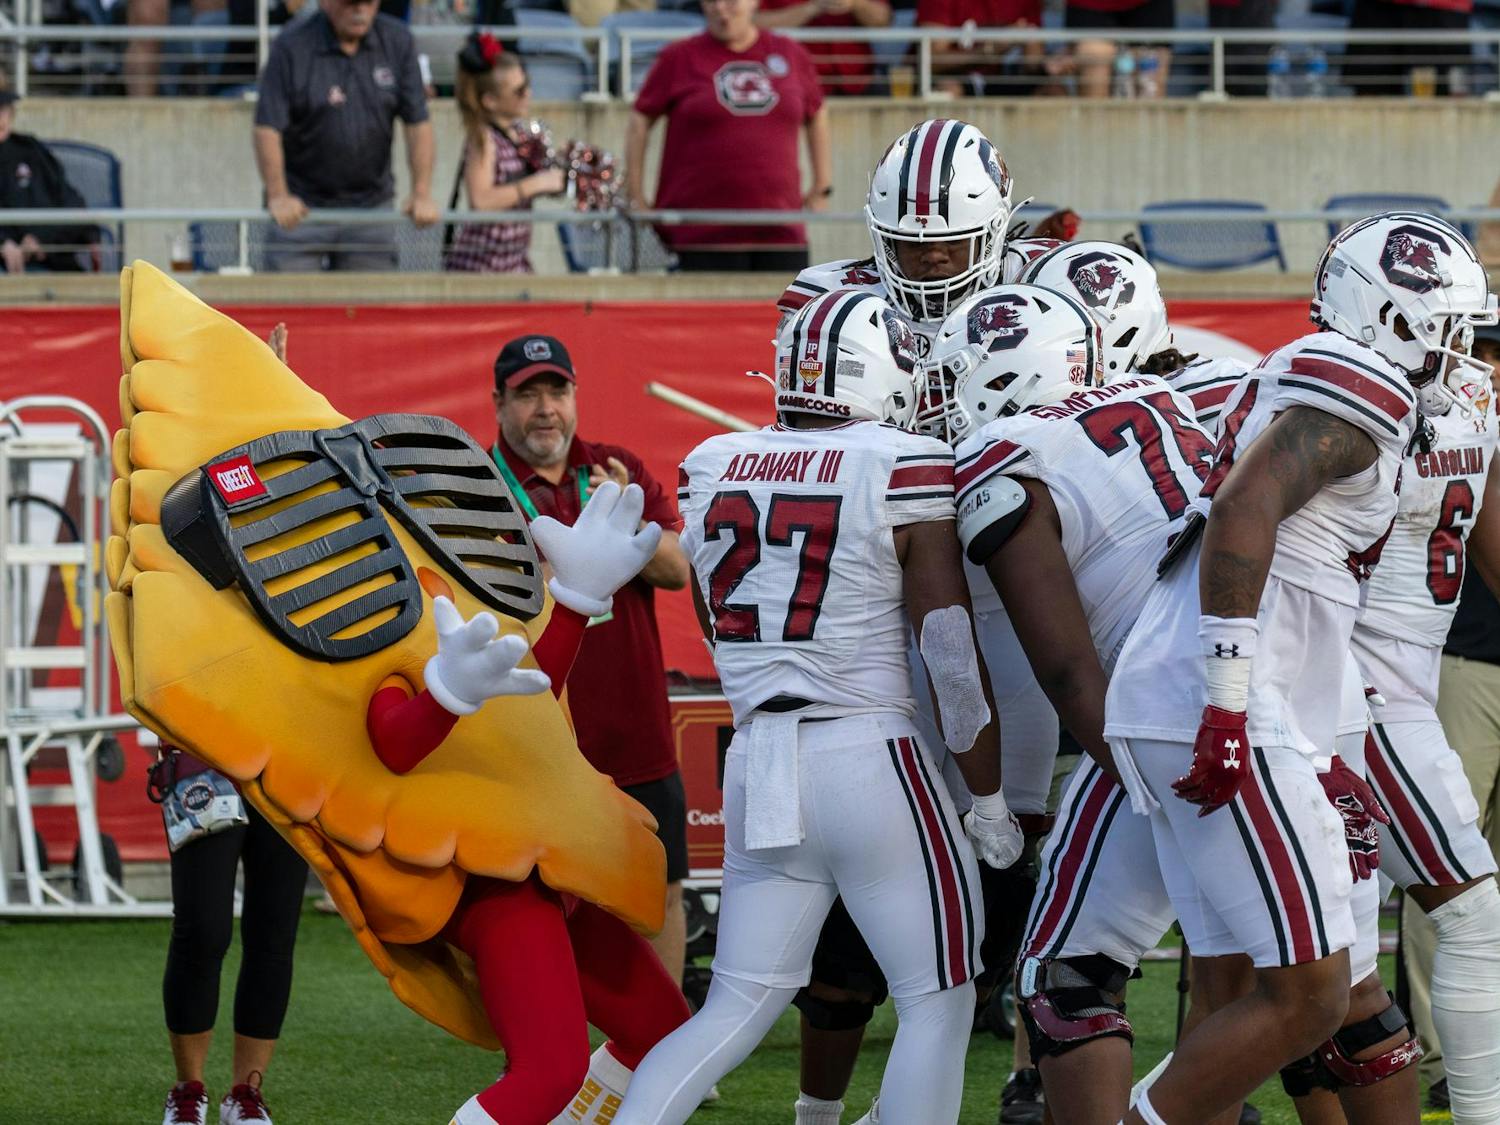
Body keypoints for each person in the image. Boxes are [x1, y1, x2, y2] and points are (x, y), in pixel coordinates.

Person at [1103, 212, 1491, 1125]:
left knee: (1304, 980)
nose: (1464, 351)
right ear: (1400, 321)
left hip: (1247, 701)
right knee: (1311, 995)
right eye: (1453, 328)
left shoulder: (1329, 376)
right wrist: (1232, 699)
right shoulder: (1361, 390)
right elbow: (1247, 507)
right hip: (1236, 700)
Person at [615, 288, 1024, 1125]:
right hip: (868, 751)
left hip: (759, 755)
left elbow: (712, 613)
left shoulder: (714, 461)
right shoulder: (900, 461)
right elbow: (948, 652)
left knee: (733, 1005)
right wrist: (986, 799)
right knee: (938, 996)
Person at [489, 333, 696, 988]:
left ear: (576, 396)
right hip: (536, 737)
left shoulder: (615, 470)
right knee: (537, 902)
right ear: (499, 404)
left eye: (556, 390)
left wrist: (631, 534)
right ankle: (550, 1049)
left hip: (634, 727)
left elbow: (676, 571)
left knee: (660, 890)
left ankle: (661, 1051)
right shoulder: (480, 487)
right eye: (528, 394)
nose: (545, 408)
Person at [155, 749, 308, 1125]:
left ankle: (246, 1093)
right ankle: (187, 1090)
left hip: (289, 763)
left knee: (274, 933)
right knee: (202, 931)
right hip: (204, 756)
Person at [624, 0, 831, 272]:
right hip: (699, 236)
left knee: (785, 314)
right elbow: (640, 119)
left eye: (731, 1)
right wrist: (636, 196)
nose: (721, 9)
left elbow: (817, 112)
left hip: (780, 234)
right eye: (712, 1)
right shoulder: (680, 56)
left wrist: (822, 185)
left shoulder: (790, 54)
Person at [252, 0, 437, 272]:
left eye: (368, 2)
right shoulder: (291, 45)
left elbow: (418, 122)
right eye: (349, 3)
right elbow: (267, 126)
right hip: (302, 211)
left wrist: (421, 192)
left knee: (372, 311)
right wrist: (278, 195)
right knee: (290, 310)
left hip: (372, 210)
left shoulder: (398, 41)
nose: (360, 10)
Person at [444, 31, 566, 274]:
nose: (528, 94)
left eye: (527, 85)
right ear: (490, 100)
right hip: (482, 268)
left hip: (514, 263)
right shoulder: (484, 138)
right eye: (519, 91)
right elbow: (481, 201)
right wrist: (536, 184)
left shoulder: (520, 134)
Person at [0, 85, 100, 273]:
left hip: (52, 259)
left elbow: (73, 205)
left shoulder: (31, 150)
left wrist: (40, 238)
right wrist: (3, 243)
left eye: (3, 109)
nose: (1, 118)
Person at [755, 0, 890, 96]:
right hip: (799, 85)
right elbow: (753, 22)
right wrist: (813, 7)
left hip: (860, 81)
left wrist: (856, 3)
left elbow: (883, 20)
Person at [916, 0, 1047, 97]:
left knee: (1052, 90)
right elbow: (933, 60)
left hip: (1003, 78)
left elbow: (1033, 63)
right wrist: (991, 49)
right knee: (947, 90)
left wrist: (1049, 66)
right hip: (957, 76)